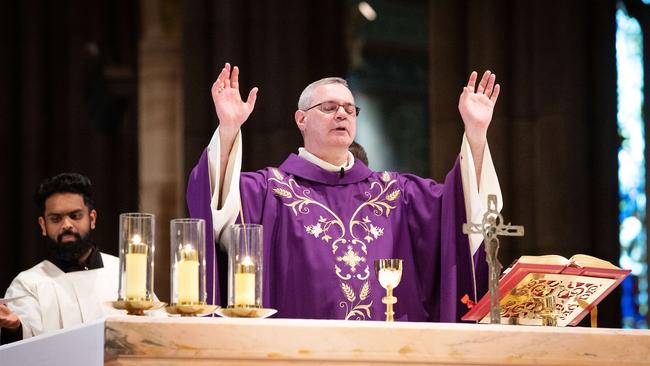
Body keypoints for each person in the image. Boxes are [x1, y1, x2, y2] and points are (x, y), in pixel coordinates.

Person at [187, 63, 502, 321]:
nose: (342, 114)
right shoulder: (270, 192)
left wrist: (475, 134)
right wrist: (229, 128)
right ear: (301, 119)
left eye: (350, 109)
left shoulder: (396, 194)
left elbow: (461, 212)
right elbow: (216, 201)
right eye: (329, 107)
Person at [0, 173, 121, 344]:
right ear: (43, 225)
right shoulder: (27, 284)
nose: (66, 225)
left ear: (92, 219)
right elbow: (23, 346)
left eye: (75, 215)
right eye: (56, 218)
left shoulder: (123, 273)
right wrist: (15, 329)